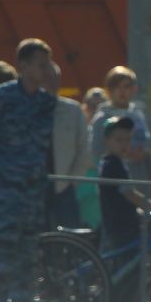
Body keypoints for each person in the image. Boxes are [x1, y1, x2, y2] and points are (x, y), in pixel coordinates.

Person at [0, 39, 59, 302]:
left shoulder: (45, 102)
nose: (44, 71)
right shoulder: (2, 98)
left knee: (28, 253)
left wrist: (53, 80)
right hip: (8, 187)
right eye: (40, 64)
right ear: (22, 65)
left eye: (46, 65)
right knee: (3, 251)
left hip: (33, 189)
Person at [94, 115, 151, 302]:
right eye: (118, 139)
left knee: (122, 282)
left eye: (128, 139)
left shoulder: (118, 163)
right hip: (120, 231)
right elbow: (130, 194)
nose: (124, 144)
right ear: (107, 141)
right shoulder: (112, 164)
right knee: (124, 283)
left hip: (125, 227)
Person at [47, 62, 92, 229]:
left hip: (65, 189)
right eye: (45, 78)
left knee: (70, 239)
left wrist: (71, 182)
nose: (50, 82)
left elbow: (83, 149)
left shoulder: (73, 111)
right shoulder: (25, 110)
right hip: (34, 189)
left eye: (54, 78)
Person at [89, 66, 149, 179]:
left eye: (126, 86)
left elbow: (146, 144)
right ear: (109, 90)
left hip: (138, 174)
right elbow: (95, 151)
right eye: (116, 87)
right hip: (112, 176)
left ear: (133, 89)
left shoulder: (138, 115)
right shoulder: (101, 118)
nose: (122, 91)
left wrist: (143, 153)